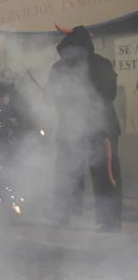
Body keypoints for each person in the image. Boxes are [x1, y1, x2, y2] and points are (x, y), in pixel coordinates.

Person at [47, 25, 122, 231]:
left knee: (105, 174)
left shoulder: (101, 64)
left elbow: (108, 94)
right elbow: (52, 94)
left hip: (101, 128)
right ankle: (63, 214)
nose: (70, 53)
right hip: (70, 128)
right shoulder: (59, 68)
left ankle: (109, 221)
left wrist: (81, 102)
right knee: (66, 171)